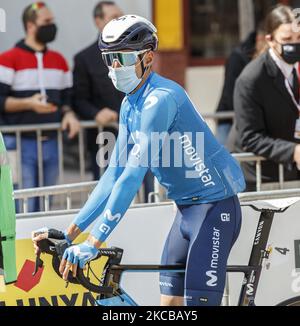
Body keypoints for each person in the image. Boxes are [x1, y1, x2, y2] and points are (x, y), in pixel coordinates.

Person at [33, 15, 246, 307]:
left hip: (213, 209)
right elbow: (113, 175)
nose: (115, 67)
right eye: (109, 59)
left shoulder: (160, 99)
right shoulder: (129, 102)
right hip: (185, 211)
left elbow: (133, 175)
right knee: (168, 306)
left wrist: (94, 242)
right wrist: (70, 234)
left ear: (147, 57)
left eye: (121, 58)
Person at [0, 2, 80, 212]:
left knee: (47, 202)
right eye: (46, 22)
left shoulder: (59, 60)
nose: (51, 25)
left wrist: (69, 114)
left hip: (51, 143)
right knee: (23, 203)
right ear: (30, 25)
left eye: (52, 21)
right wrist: (28, 104)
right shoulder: (7, 60)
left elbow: (67, 99)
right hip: (19, 143)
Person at [233, 5, 300, 191]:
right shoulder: (251, 78)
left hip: (288, 175)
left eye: (299, 38)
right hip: (260, 180)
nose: (294, 45)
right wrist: (293, 152)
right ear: (270, 40)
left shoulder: (294, 70)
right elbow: (250, 137)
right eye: (287, 40)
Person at [73, 1, 123, 180]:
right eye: (114, 18)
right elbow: (78, 99)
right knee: (107, 188)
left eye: (121, 17)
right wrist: (96, 113)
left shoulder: (134, 53)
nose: (120, 21)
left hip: (136, 133)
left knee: (147, 191)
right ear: (98, 21)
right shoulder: (84, 59)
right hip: (104, 137)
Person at [216, 26, 266, 146]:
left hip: (249, 119)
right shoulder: (237, 57)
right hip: (229, 118)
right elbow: (230, 91)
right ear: (260, 39)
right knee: (223, 159)